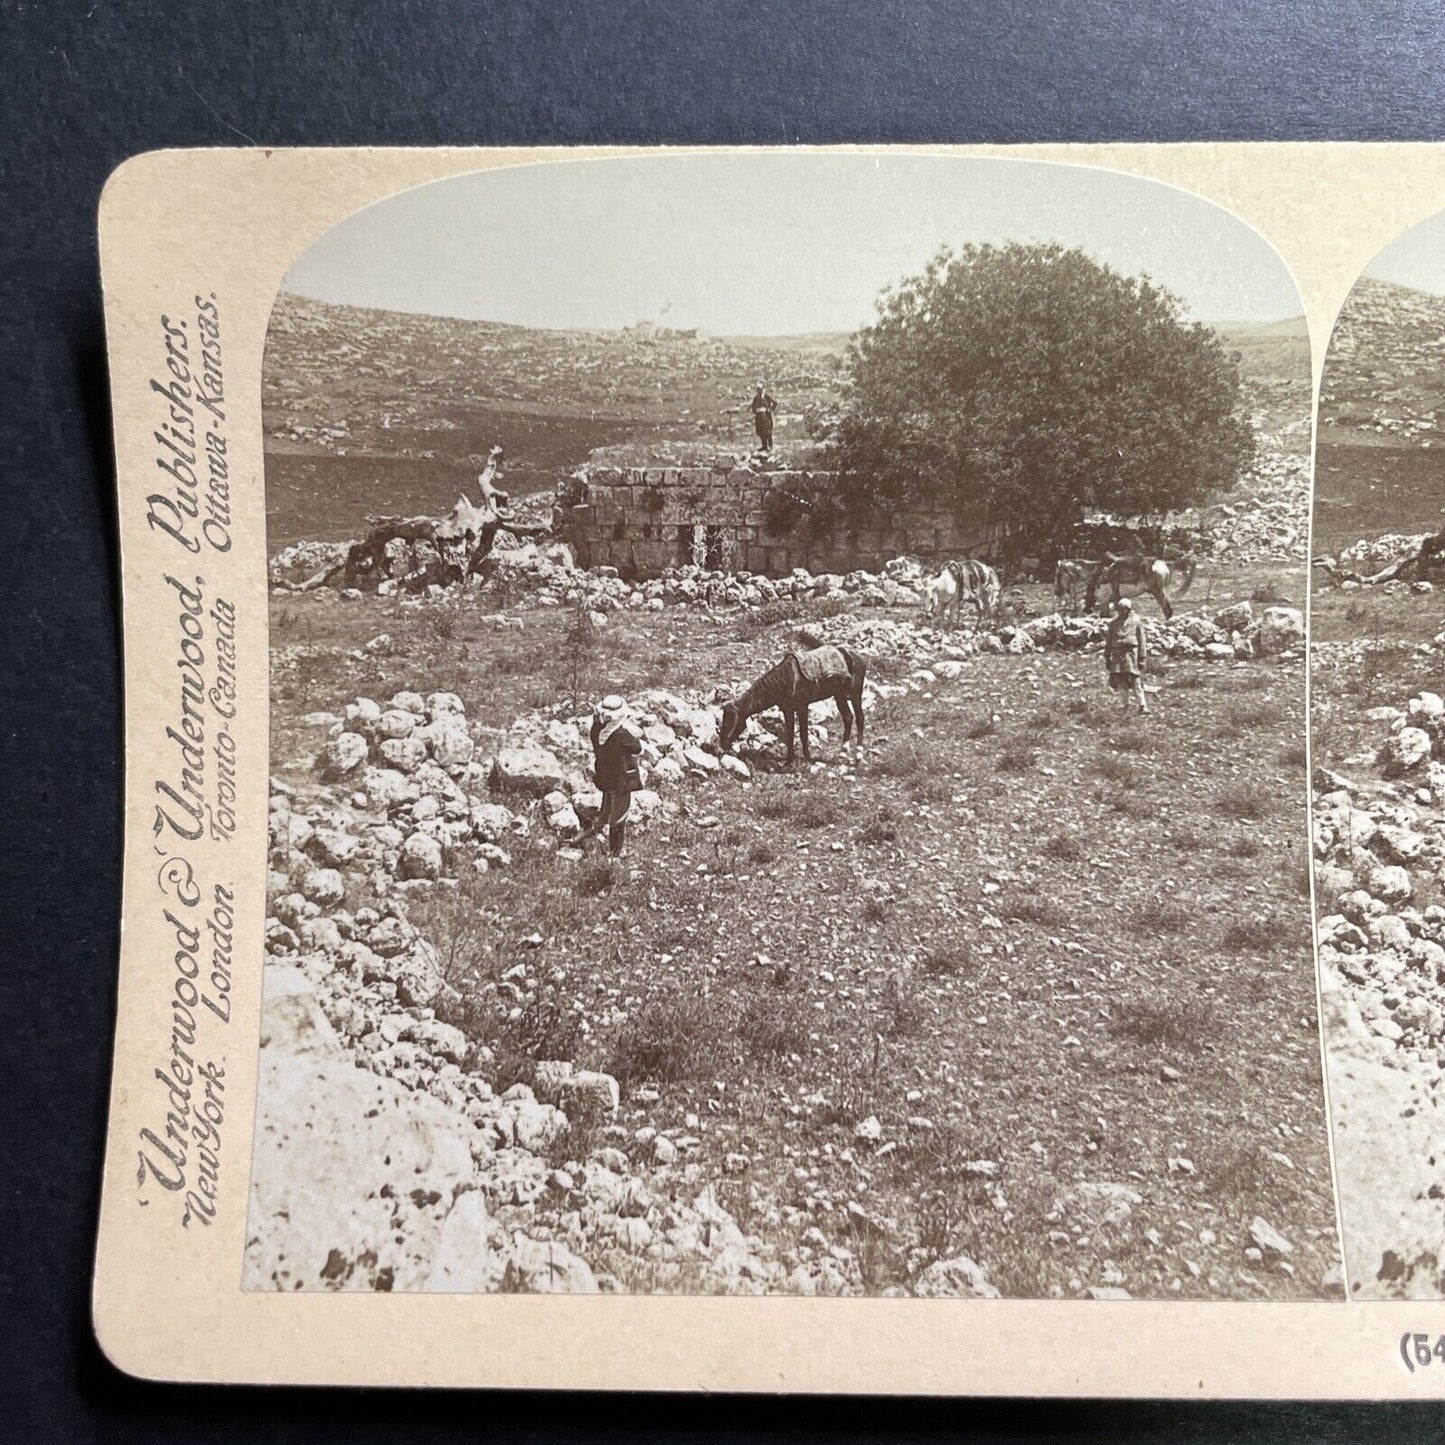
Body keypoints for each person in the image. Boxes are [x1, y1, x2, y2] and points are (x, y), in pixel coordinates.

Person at [583, 695, 642, 856]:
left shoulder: (596, 730)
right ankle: (615, 853)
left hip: (604, 775)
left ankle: (596, 832)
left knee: (606, 807)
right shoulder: (621, 734)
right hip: (622, 779)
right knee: (619, 816)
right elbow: (637, 748)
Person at [1104, 597, 1149, 714]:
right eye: (1119, 610)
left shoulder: (1136, 623)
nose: (1120, 612)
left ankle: (1142, 705)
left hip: (1131, 655)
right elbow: (1108, 642)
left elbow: (1142, 641)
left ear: (1128, 610)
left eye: (1123, 610)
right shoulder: (1113, 624)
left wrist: (1142, 657)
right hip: (1117, 655)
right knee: (1120, 680)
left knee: (1135, 680)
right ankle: (1126, 705)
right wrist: (1107, 657)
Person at [748, 381, 777, 452]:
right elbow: (753, 406)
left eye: (760, 389)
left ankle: (770, 446)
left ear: (762, 389)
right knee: (760, 431)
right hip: (759, 417)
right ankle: (764, 446)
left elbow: (775, 403)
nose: (759, 391)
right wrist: (755, 411)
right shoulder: (756, 398)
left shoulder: (766, 397)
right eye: (757, 389)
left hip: (766, 417)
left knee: (768, 431)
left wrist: (769, 409)